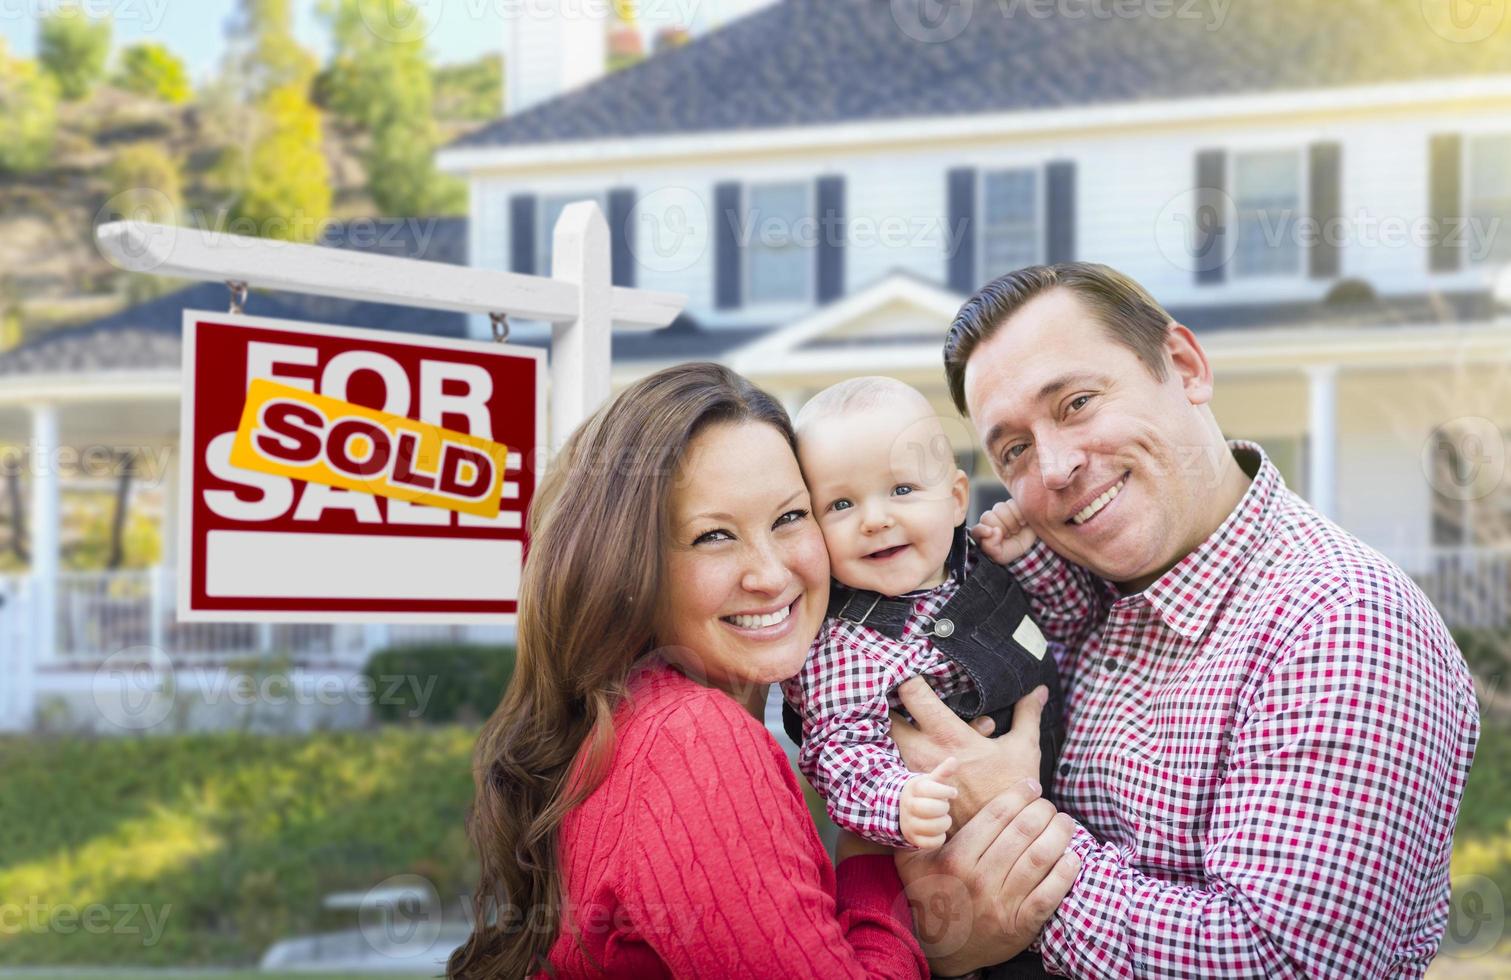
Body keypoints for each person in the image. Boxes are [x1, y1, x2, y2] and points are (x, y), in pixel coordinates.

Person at [891, 262, 1481, 978]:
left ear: (1184, 365)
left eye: (1076, 402)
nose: (1052, 468)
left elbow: (1280, 964)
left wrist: (1011, 839)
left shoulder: (1340, 622)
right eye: (1012, 449)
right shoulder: (1064, 598)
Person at [444, 362, 1082, 979]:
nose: (772, 574)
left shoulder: (638, 714)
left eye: (788, 518)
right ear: (627, 566)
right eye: (713, 536)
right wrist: (876, 864)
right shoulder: (695, 742)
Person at [779, 376, 1065, 855]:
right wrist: (898, 802)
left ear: (955, 499)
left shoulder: (979, 562)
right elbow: (841, 756)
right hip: (960, 845)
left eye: (902, 489)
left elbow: (1064, 624)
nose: (874, 519)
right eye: (841, 504)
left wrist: (1026, 558)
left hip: (1067, 799)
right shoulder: (844, 645)